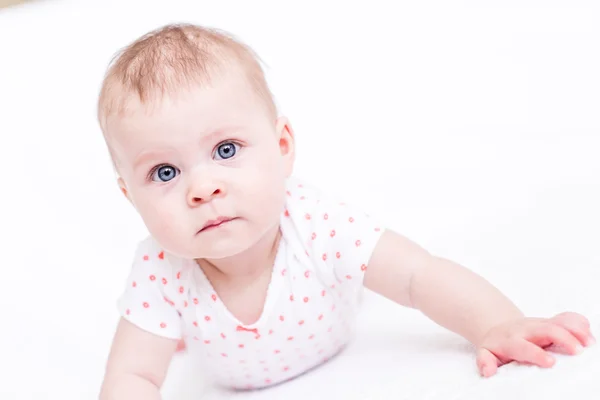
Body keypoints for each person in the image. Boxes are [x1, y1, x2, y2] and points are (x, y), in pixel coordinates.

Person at [97, 23, 594, 399]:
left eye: (226, 150)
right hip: (222, 366)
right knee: (151, 339)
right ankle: (180, 331)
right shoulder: (159, 270)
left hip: (334, 323)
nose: (202, 189)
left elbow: (420, 277)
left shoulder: (316, 223)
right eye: (164, 173)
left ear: (282, 144)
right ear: (129, 196)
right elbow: (133, 374)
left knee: (383, 271)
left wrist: (495, 324)